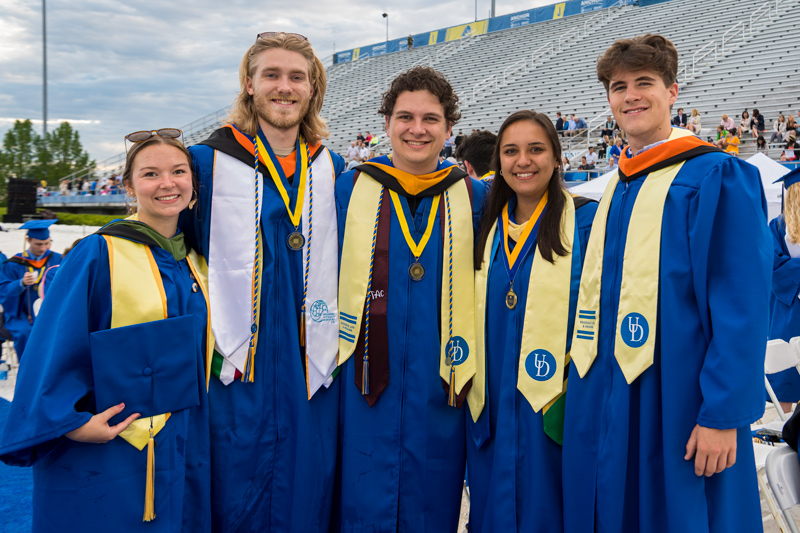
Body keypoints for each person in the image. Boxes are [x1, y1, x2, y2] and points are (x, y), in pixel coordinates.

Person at [563, 34, 770, 533]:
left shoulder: (717, 175)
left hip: (682, 398)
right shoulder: (615, 188)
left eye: (644, 83)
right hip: (609, 394)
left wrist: (723, 414)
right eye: (618, 87)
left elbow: (741, 305)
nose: (630, 95)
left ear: (673, 92)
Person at [0, 130, 214, 531]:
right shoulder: (99, 253)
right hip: (114, 444)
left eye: (178, 171)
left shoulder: (196, 263)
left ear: (193, 184)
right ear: (129, 187)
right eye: (150, 174)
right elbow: (54, 345)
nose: (167, 183)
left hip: (185, 438)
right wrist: (71, 423)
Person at [181, 32, 344, 531]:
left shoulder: (332, 168)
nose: (284, 87)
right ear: (249, 86)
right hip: (233, 367)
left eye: (297, 76)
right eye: (271, 75)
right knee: (233, 488)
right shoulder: (205, 164)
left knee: (306, 488)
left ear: (313, 88)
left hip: (308, 361)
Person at [335, 65, 487, 531]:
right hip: (363, 383)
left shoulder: (476, 198)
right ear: (386, 124)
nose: (416, 129)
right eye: (405, 117)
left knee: (434, 503)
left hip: (441, 387)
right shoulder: (349, 190)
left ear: (448, 128)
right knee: (361, 500)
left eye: (430, 119)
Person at [466, 110, 597, 532]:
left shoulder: (587, 221)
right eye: (511, 151)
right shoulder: (483, 226)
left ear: (558, 158)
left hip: (555, 404)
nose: (523, 161)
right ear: (499, 162)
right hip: (491, 403)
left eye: (536, 149)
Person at [0, 219, 62, 358]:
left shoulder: (57, 259)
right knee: (25, 332)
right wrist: (20, 283)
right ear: (28, 240)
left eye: (47, 243)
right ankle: (28, 370)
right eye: (38, 244)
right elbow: (2, 290)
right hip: (22, 314)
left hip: (50, 311)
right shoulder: (13, 264)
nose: (43, 248)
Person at [767, 167, 800, 413]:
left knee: (786, 374)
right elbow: (773, 269)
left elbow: (777, 267)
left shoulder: (776, 227)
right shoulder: (778, 227)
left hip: (787, 309)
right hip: (789, 308)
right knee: (786, 372)